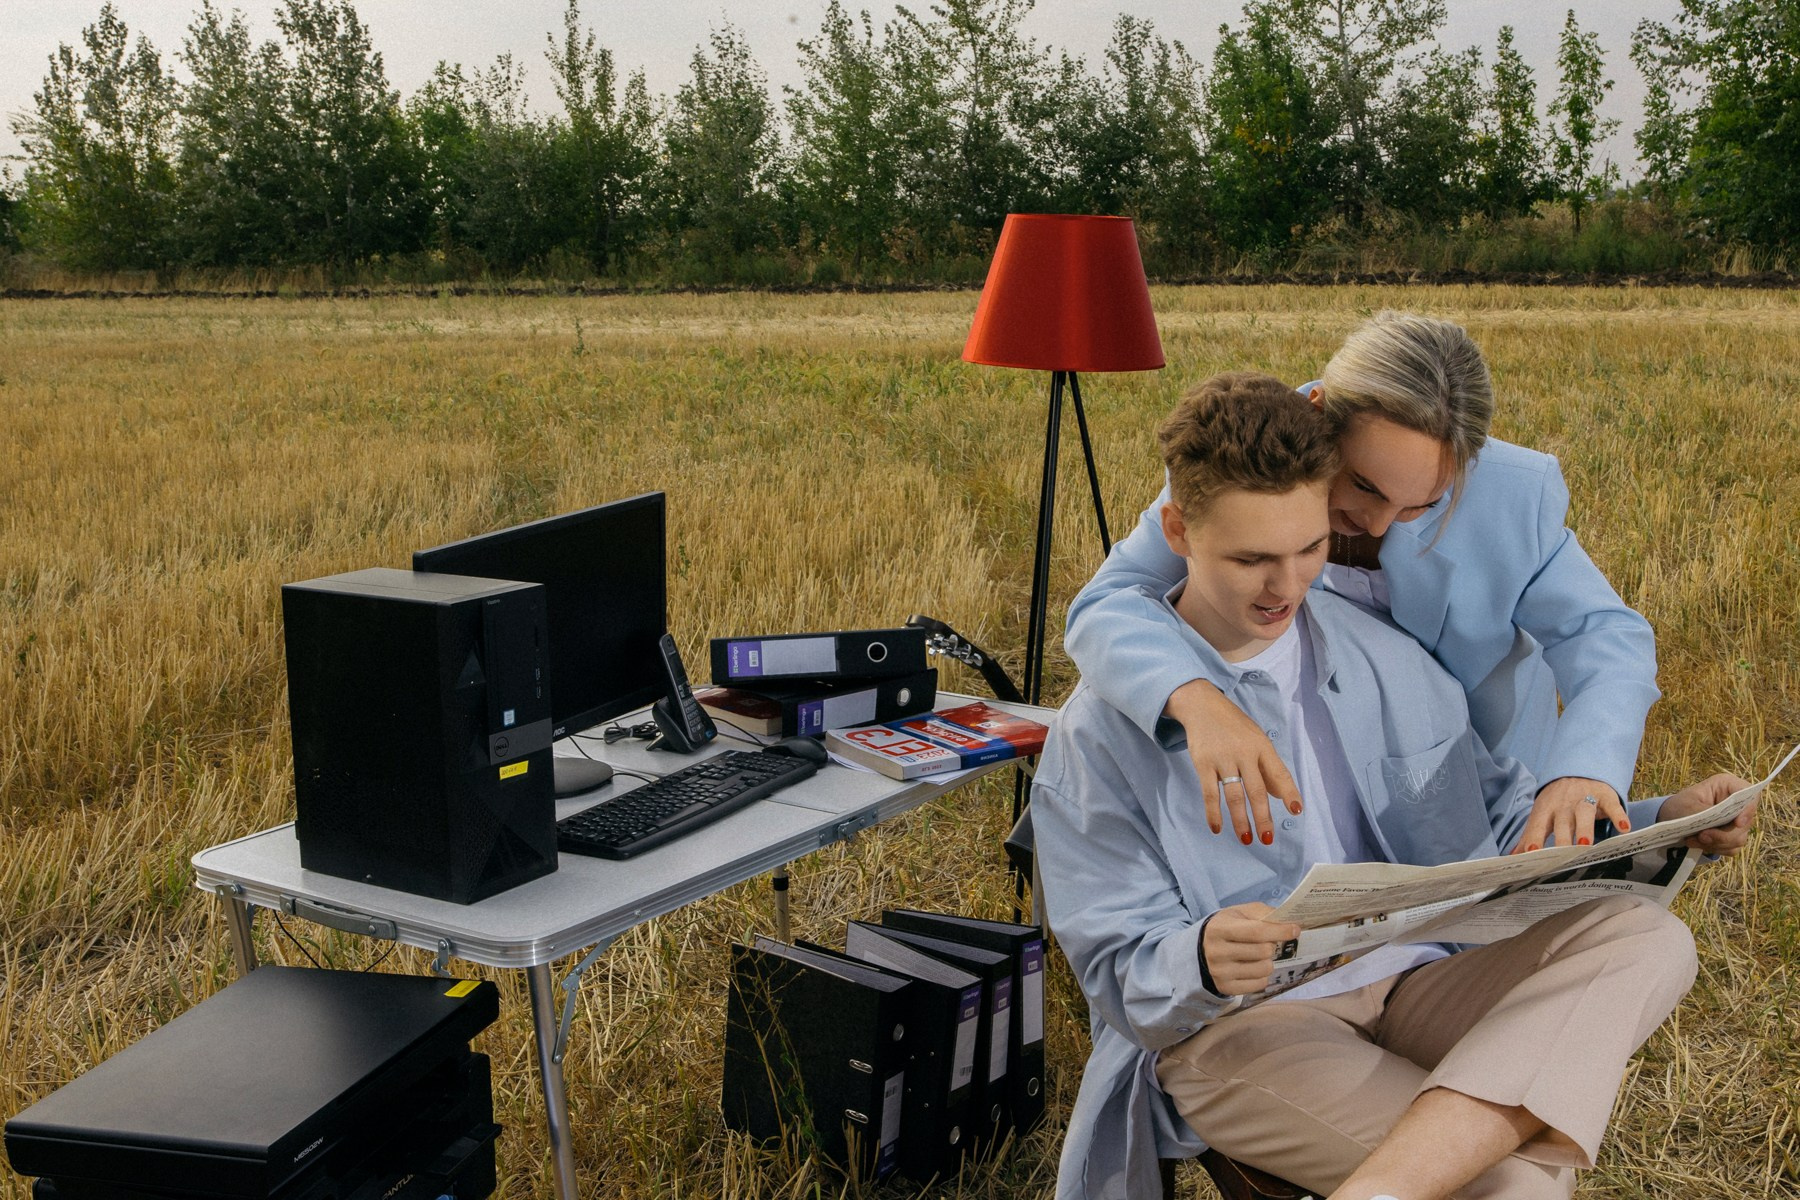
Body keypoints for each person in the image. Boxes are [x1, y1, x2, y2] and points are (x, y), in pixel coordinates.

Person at [1032, 373, 1757, 1200]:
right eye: (1250, 559)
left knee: (1649, 938)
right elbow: (1120, 972)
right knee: (1512, 1185)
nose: (1285, 588)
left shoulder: (1382, 653)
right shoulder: (1096, 734)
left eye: (1308, 550)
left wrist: (1663, 822)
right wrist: (1199, 955)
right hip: (1248, 1029)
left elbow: (1496, 816)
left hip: (1418, 975)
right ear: (1177, 532)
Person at [1064, 311, 1657, 855]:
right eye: (1365, 486)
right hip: (1313, 773)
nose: (1376, 523)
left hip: (1478, 782)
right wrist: (1197, 699)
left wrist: (1584, 768)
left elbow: (1605, 636)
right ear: (1320, 414)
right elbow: (1109, 601)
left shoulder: (1515, 494)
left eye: (1421, 505)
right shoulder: (1255, 460)